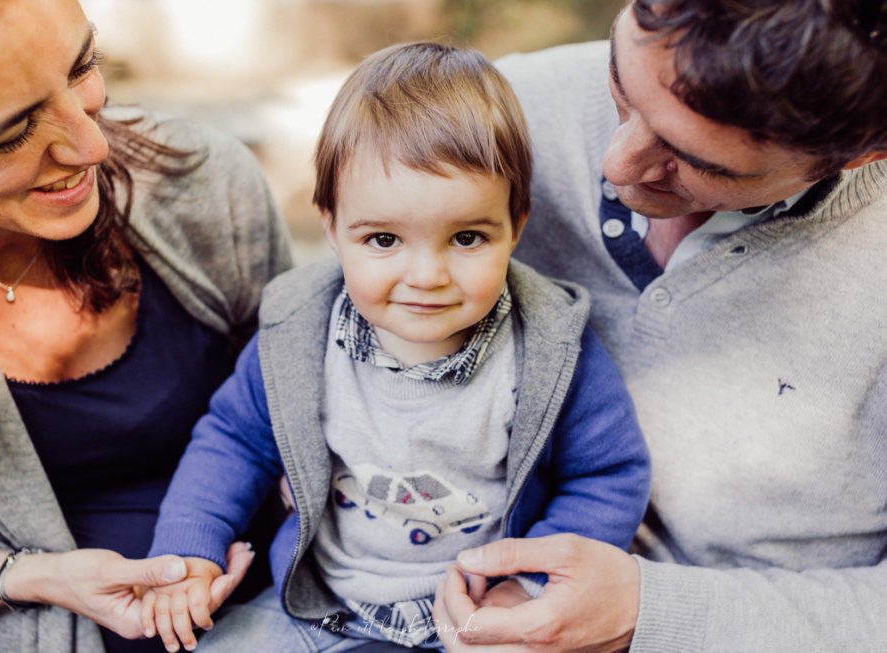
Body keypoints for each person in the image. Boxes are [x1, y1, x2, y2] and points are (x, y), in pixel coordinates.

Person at [138, 42, 651, 653]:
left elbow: (607, 474)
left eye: (466, 237)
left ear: (516, 223)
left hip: (474, 621)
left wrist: (529, 584)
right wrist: (188, 547)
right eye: (384, 239)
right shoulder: (299, 333)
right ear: (331, 226)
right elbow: (236, 439)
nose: (426, 275)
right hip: (319, 605)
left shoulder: (549, 351)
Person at [431, 0, 887, 651]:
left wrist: (647, 613)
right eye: (620, 84)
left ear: (866, 155)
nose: (617, 165)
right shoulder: (501, 109)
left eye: (701, 164)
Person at [0, 0, 293, 652]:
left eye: (83, 66)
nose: (93, 145)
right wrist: (40, 578)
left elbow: (313, 392)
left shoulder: (199, 180)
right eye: (11, 132)